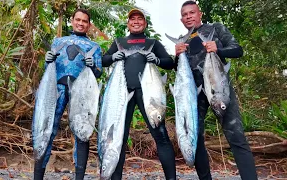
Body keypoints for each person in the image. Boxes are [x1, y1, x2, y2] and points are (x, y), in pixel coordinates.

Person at [174, 1, 258, 180]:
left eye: (192, 12)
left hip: (220, 91)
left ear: (200, 14)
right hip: (195, 94)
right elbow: (181, 72)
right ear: (181, 19)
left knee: (236, 137)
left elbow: (238, 50)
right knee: (194, 138)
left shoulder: (216, 28)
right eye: (185, 14)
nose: (188, 16)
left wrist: (218, 49)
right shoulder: (183, 40)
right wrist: (177, 56)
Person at [102, 9, 176, 180]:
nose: (136, 21)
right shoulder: (119, 42)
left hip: (149, 94)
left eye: (139, 19)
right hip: (122, 94)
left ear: (145, 23)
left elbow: (169, 63)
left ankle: (171, 178)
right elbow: (104, 61)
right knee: (118, 137)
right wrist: (113, 56)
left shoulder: (152, 43)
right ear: (128, 23)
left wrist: (156, 59)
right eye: (132, 19)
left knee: (161, 135)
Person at [33, 8, 102, 180]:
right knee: (46, 129)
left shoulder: (94, 47)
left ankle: (79, 177)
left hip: (82, 93)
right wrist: (47, 60)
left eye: (84, 21)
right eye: (78, 19)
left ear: (88, 24)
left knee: (82, 131)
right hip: (57, 90)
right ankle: (37, 176)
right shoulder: (58, 42)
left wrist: (92, 65)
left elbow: (99, 72)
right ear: (72, 20)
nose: (80, 23)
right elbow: (47, 68)